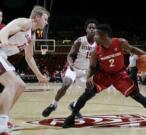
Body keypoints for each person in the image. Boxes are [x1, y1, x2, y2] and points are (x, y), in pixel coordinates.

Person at [62, 24, 146, 128]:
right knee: (87, 94)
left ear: (104, 35)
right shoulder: (96, 51)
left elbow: (132, 49)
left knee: (138, 97)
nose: (94, 36)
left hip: (120, 75)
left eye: (96, 34)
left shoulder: (120, 42)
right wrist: (88, 78)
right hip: (105, 75)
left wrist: (145, 54)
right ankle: (72, 117)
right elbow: (92, 67)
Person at [0, 5, 49, 135]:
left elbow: (29, 57)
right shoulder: (25, 22)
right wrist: (4, 40)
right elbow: (4, 31)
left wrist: (39, 75)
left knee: (21, 85)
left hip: (2, 56)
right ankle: (2, 125)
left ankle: (2, 117)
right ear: (37, 18)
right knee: (13, 84)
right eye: (45, 19)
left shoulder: (32, 36)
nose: (46, 22)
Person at [42, 19, 98, 118]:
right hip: (74, 68)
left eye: (94, 28)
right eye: (90, 28)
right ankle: (53, 105)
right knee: (66, 85)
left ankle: (74, 105)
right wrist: (71, 65)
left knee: (92, 92)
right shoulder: (80, 41)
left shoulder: (98, 44)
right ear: (86, 30)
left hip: (86, 71)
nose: (92, 29)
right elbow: (70, 55)